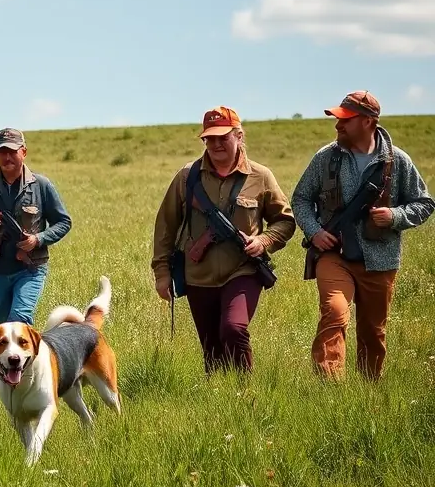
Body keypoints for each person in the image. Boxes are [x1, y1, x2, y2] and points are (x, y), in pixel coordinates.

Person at [290, 90, 433, 381]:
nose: (338, 126)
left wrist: (395, 217)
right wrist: (314, 231)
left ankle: (368, 393)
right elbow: (301, 198)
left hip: (379, 260)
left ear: (368, 121)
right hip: (334, 255)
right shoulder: (325, 158)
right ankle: (330, 391)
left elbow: (425, 203)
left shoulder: (398, 161)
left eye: (346, 120)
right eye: (338, 119)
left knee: (373, 332)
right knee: (334, 313)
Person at [152, 106, 295, 374]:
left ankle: (245, 392)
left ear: (239, 136)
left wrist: (263, 241)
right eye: (210, 138)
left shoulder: (261, 176)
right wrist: (162, 274)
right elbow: (165, 228)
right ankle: (219, 398)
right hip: (198, 275)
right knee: (212, 350)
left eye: (223, 137)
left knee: (233, 328)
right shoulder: (187, 177)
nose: (216, 144)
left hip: (243, 270)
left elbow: (285, 221)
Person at [0, 128, 72, 325]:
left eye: (12, 151)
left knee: (19, 320)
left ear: (23, 152)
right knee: (4, 329)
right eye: (2, 152)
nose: (7, 157)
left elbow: (64, 222)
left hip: (30, 268)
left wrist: (38, 239)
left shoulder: (41, 185)